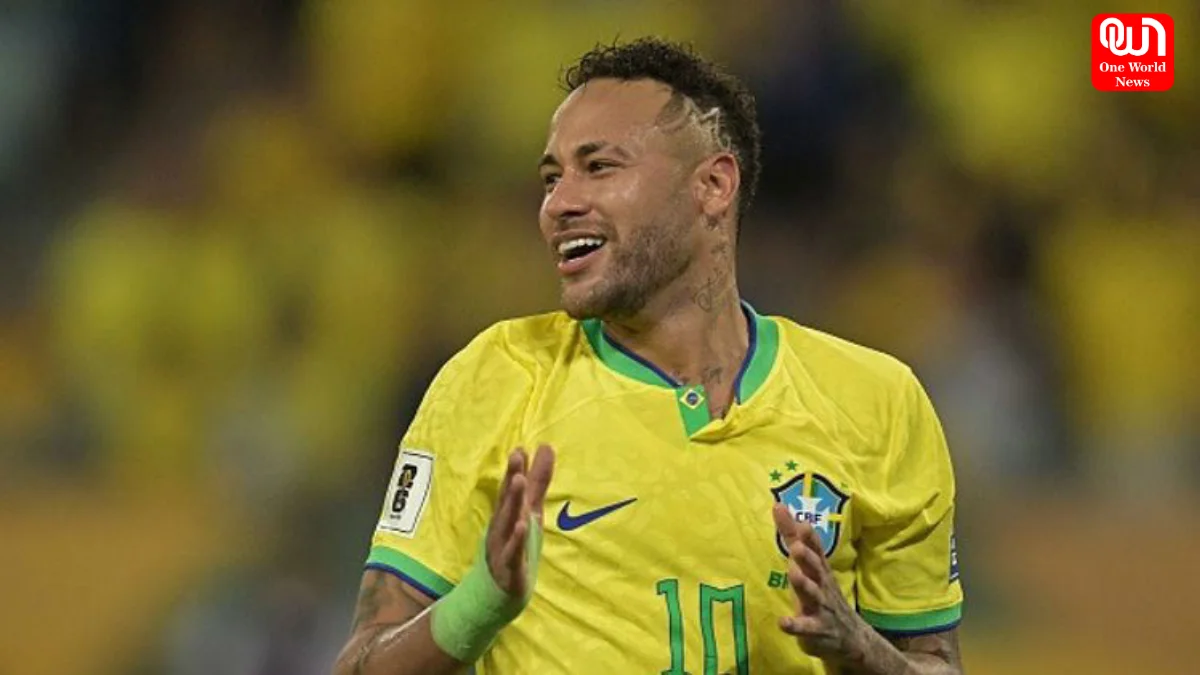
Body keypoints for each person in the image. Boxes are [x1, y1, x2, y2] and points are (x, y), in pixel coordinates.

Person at [333, 37, 964, 675]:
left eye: (599, 167)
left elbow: (935, 662)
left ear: (713, 185)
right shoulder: (497, 378)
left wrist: (862, 649)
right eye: (552, 178)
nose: (558, 204)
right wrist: (479, 605)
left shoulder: (877, 401)